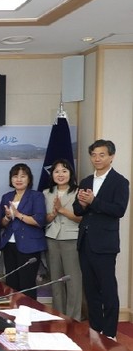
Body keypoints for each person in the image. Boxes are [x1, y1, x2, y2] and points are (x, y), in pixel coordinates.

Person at [74, 139, 130, 339]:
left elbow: (119, 210)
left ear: (111, 157)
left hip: (105, 244)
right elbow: (77, 210)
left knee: (107, 289)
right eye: (94, 155)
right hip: (85, 242)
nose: (97, 158)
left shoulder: (120, 182)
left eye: (102, 155)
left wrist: (94, 201)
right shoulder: (86, 181)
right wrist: (82, 204)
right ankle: (95, 328)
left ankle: (110, 332)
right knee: (90, 289)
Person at [0, 163, 46, 299]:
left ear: (29, 179)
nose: (18, 179)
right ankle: (12, 311)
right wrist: (7, 217)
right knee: (11, 283)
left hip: (30, 246)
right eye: (15, 176)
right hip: (9, 245)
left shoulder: (36, 196)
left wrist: (18, 214)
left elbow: (39, 221)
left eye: (23, 176)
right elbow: (2, 223)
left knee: (27, 284)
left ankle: (28, 311)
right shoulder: (6, 197)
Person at [43, 159, 82, 320]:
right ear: (52, 174)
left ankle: (73, 318)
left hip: (71, 238)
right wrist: (52, 214)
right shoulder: (46, 193)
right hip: (52, 238)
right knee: (55, 280)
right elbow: (44, 218)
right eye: (57, 171)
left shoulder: (78, 192)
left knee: (73, 280)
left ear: (70, 173)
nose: (60, 174)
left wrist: (62, 210)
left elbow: (81, 218)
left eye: (64, 171)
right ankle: (58, 316)